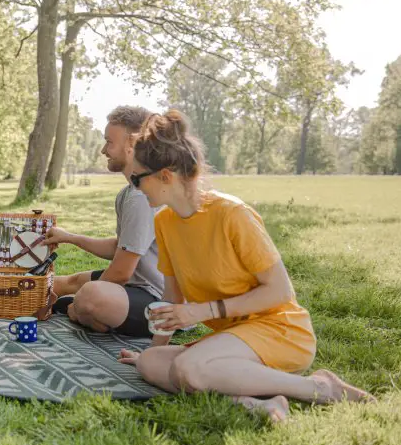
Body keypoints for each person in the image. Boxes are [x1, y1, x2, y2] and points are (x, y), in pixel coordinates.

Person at [118, 110, 372, 422]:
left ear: (165, 177)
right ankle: (258, 403)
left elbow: (280, 291)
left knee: (187, 369)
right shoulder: (165, 222)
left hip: (280, 332)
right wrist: (153, 350)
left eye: (137, 178)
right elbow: (171, 301)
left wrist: (204, 311)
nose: (136, 187)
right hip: (232, 338)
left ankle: (318, 387)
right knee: (151, 364)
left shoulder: (232, 214)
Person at [42, 106, 164, 337]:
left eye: (109, 142)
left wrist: (77, 302)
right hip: (136, 284)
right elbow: (121, 246)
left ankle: (82, 310)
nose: (103, 150)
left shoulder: (142, 197)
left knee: (89, 295)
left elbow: (120, 273)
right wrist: (71, 238)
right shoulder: (128, 193)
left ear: (132, 143)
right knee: (70, 281)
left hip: (157, 299)